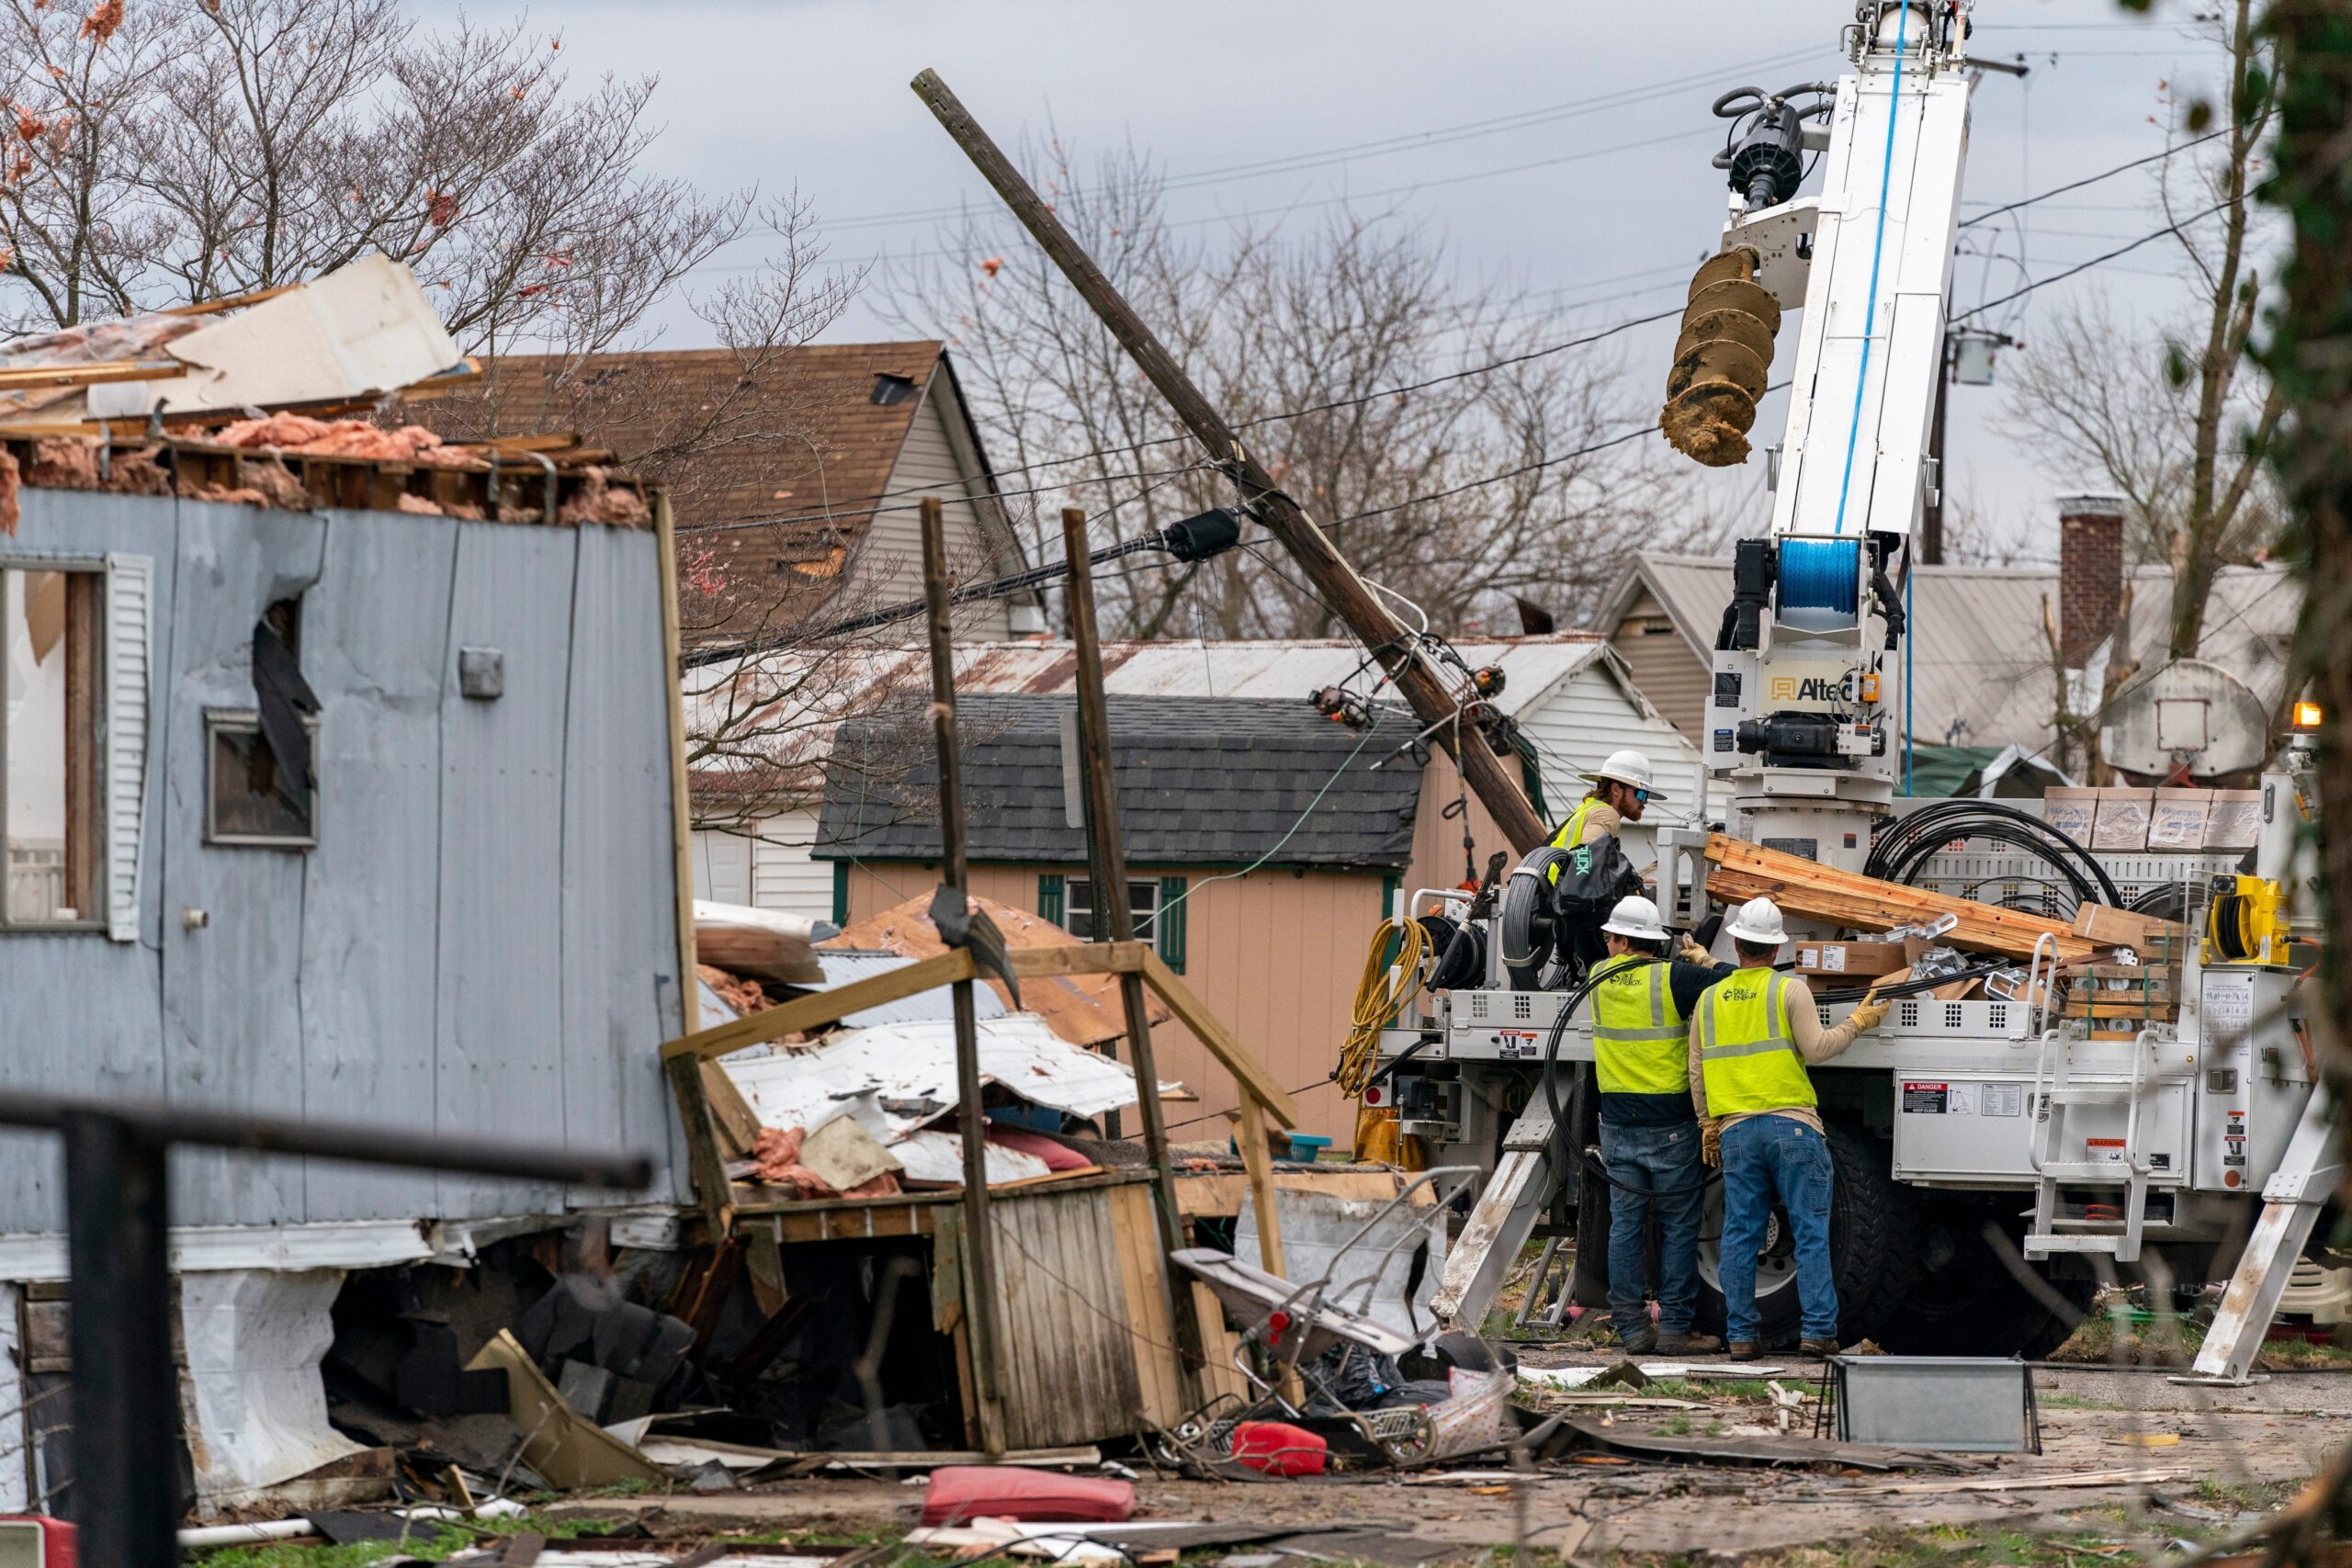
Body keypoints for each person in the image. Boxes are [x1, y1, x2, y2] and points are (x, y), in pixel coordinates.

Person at [1688, 897, 1891, 1359]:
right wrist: (1859, 1020)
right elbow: (1817, 1049)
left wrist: (1707, 1125)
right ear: (1776, 948)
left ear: (1737, 943)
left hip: (1736, 1132)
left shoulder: (1709, 999)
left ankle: (1741, 1337)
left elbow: (1696, 1069)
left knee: (1740, 1234)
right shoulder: (1789, 991)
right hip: (1792, 1129)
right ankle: (1817, 1333)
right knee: (1811, 1231)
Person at [1588, 894, 1735, 1353]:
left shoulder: (1595, 977)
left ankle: (1632, 1329)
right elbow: (1734, 982)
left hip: (1616, 1125)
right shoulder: (1674, 978)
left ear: (1624, 941)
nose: (1607, 944)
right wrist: (1704, 958)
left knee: (1625, 1227)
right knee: (1677, 1227)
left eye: (1611, 937)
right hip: (1670, 1125)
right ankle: (1674, 1330)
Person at [1549, 749, 1659, 858]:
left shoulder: (1588, 808)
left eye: (1646, 795)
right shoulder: (1606, 814)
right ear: (1616, 789)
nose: (1645, 801)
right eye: (1641, 794)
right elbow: (1591, 857)